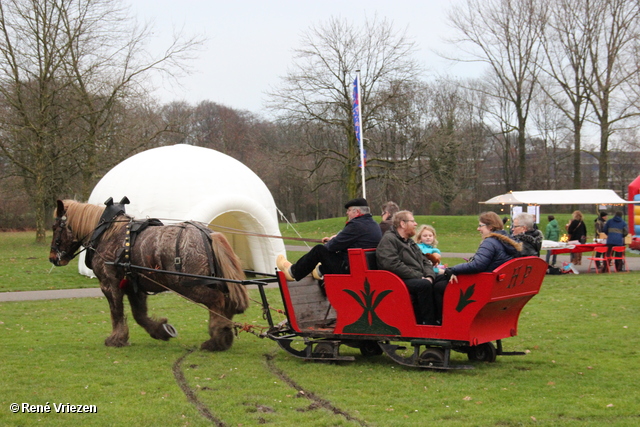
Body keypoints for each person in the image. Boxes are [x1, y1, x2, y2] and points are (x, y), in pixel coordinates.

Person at [276, 198, 382, 281]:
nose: (347, 213)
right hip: (363, 267)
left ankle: (293, 272)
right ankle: (319, 270)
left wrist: (331, 241)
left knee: (319, 250)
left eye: (349, 210)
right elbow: (351, 241)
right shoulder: (373, 225)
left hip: (349, 270)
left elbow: (332, 246)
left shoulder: (356, 225)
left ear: (357, 212)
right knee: (330, 253)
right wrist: (335, 238)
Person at [376, 210, 438, 325]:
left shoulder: (409, 241)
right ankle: (427, 323)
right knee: (423, 285)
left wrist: (429, 275)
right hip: (397, 280)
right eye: (412, 221)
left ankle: (441, 319)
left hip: (414, 276)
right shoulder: (389, 240)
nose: (415, 224)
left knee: (441, 279)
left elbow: (425, 261)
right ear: (402, 224)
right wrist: (420, 277)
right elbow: (392, 264)